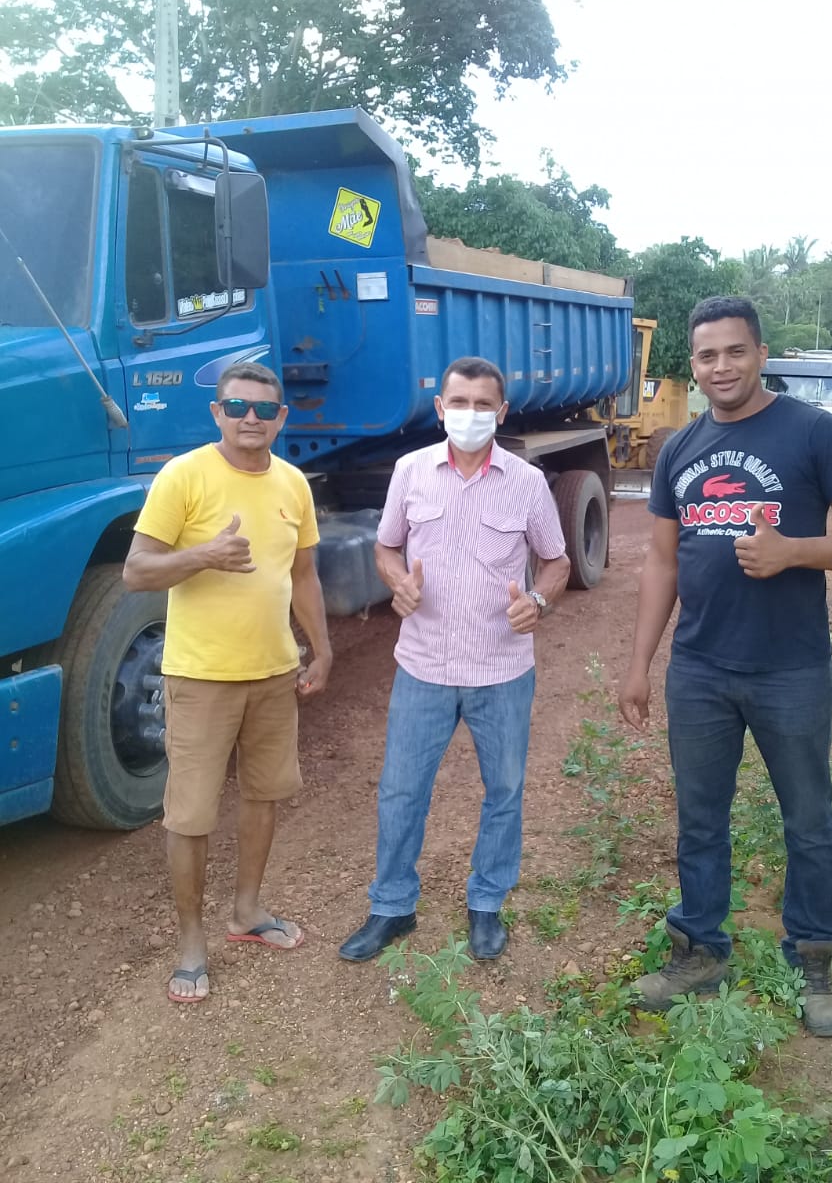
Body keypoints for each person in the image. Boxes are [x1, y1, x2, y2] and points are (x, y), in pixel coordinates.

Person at [619, 296, 832, 1037]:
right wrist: (640, 663)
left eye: (734, 352)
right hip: (700, 670)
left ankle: (813, 956)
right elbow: (659, 560)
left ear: (760, 352)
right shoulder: (678, 448)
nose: (721, 367)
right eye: (707, 356)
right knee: (699, 821)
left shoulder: (812, 431)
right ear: (694, 364)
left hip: (790, 670)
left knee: (808, 820)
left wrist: (796, 551)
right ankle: (699, 953)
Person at [339, 356, 571, 963]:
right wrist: (398, 584)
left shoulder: (526, 482)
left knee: (504, 790)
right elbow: (387, 547)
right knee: (401, 792)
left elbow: (556, 560)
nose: (470, 415)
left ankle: (487, 904)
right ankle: (392, 907)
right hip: (423, 667)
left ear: (502, 412)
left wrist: (540, 600)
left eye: (482, 405)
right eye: (458, 403)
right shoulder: (411, 472)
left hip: (502, 669)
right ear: (440, 409)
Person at [123, 362, 332, 1004]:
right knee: (189, 815)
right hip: (200, 676)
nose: (251, 419)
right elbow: (136, 571)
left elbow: (302, 577)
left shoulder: (293, 484)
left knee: (265, 796)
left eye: (265, 410)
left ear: (281, 420)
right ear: (216, 412)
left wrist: (321, 650)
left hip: (273, 672)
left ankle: (246, 912)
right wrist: (204, 556)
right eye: (238, 407)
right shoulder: (182, 477)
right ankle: (191, 942)